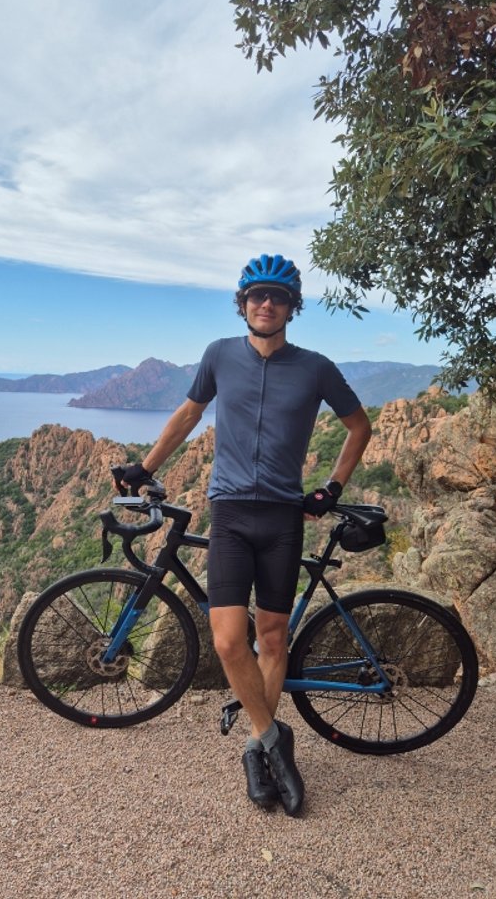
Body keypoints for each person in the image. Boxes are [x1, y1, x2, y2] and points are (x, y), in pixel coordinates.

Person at [118, 253, 372, 817]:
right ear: (243, 303)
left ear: (291, 308)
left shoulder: (315, 366)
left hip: (283, 518)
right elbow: (187, 415)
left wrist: (332, 487)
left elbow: (360, 426)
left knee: (274, 639)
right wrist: (148, 467)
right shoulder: (219, 356)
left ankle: (257, 751)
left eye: (277, 297)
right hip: (230, 513)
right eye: (256, 295)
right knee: (232, 641)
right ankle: (275, 739)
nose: (266, 304)